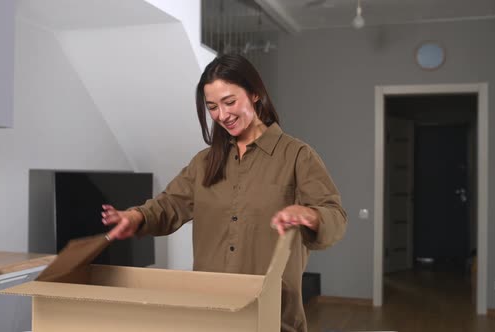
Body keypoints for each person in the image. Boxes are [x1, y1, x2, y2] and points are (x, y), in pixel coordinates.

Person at [101, 54, 347, 332]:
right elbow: (168, 205)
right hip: (210, 316)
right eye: (213, 107)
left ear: (255, 94)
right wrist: (136, 217)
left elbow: (336, 218)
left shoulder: (297, 156)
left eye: (230, 102)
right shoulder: (203, 163)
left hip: (272, 318)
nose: (222, 115)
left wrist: (311, 215)